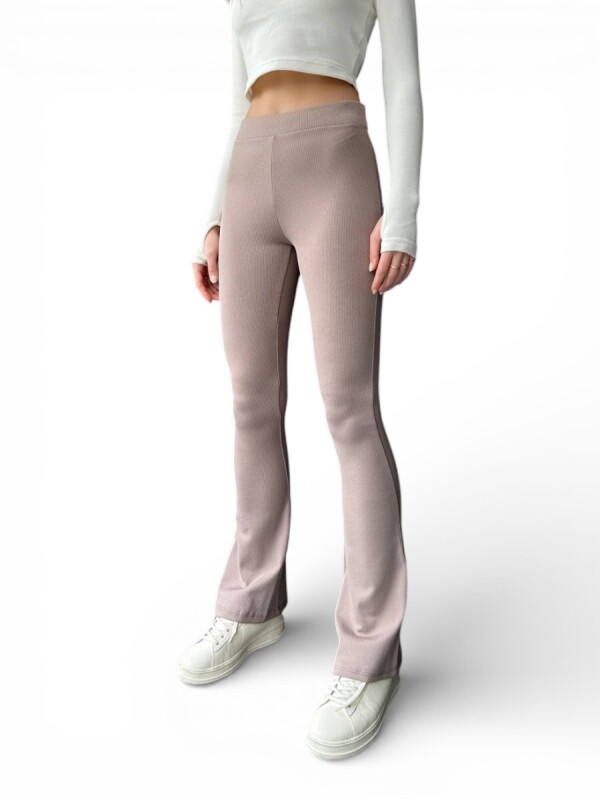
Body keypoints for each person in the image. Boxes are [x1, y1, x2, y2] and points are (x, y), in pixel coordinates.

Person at [178, 0, 424, 760]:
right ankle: (252, 602)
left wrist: (404, 211)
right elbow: (239, 96)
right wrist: (214, 215)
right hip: (250, 170)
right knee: (250, 400)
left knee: (349, 408)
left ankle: (371, 653)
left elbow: (403, 79)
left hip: (335, 164)